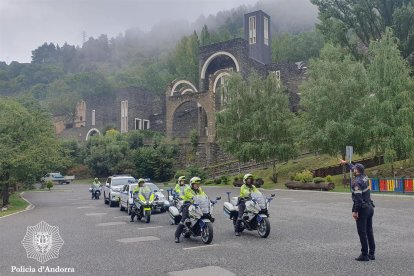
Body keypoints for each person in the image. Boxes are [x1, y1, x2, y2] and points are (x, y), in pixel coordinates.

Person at [340, 159, 376, 261]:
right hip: (370, 207)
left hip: (363, 209)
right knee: (369, 231)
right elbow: (353, 168)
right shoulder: (365, 177)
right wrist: (346, 163)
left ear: (357, 171)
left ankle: (364, 254)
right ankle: (371, 253)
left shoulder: (356, 183)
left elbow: (358, 200)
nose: (353, 169)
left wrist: (355, 211)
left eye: (354, 169)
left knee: (362, 232)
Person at [174, 176, 207, 243]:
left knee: (204, 214)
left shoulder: (199, 189)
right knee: (184, 220)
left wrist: (207, 199)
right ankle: (177, 236)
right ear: (192, 184)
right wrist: (193, 198)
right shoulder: (188, 189)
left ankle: (197, 228)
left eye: (198, 184)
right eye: (196, 184)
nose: (197, 185)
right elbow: (189, 195)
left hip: (196, 205)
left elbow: (203, 195)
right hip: (187, 205)